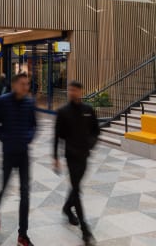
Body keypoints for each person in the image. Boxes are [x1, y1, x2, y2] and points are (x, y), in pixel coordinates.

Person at [0, 73, 38, 246]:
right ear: (15, 85)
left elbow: (34, 125)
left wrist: (29, 137)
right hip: (9, 153)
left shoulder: (29, 102)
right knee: (4, 187)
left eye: (28, 84)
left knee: (25, 193)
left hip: (24, 154)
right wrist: (5, 138)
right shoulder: (3, 101)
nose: (27, 87)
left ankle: (22, 234)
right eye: (23, 84)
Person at [53, 81, 98, 246]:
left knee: (76, 187)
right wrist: (55, 158)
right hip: (71, 156)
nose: (72, 93)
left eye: (75, 90)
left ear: (81, 91)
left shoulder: (88, 110)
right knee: (77, 191)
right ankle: (85, 231)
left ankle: (66, 208)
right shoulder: (63, 112)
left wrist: (91, 144)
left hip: (84, 155)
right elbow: (57, 136)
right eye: (70, 90)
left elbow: (96, 130)